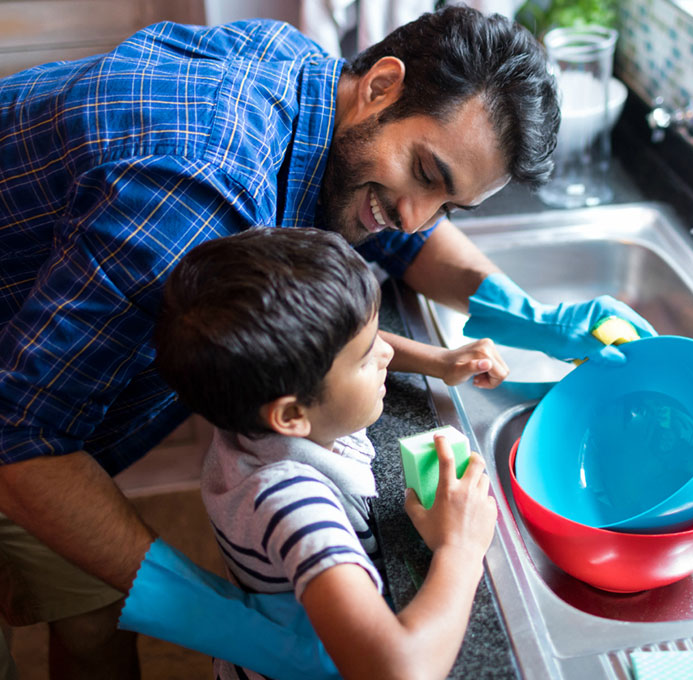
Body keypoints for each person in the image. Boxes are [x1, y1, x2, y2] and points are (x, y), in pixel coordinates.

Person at [0, 5, 653, 675]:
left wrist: (524, 313)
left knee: (91, 614)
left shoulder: (317, 84)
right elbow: (21, 436)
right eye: (427, 173)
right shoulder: (201, 195)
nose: (415, 217)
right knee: (81, 613)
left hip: (40, 374)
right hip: (24, 413)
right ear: (381, 86)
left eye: (449, 203)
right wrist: (222, 621)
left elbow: (400, 226)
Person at [152, 226, 498, 680]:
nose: (386, 357)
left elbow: (344, 348)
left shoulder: (248, 406)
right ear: (292, 415)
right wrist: (459, 549)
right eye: (366, 357)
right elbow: (398, 670)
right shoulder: (292, 501)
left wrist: (437, 360)